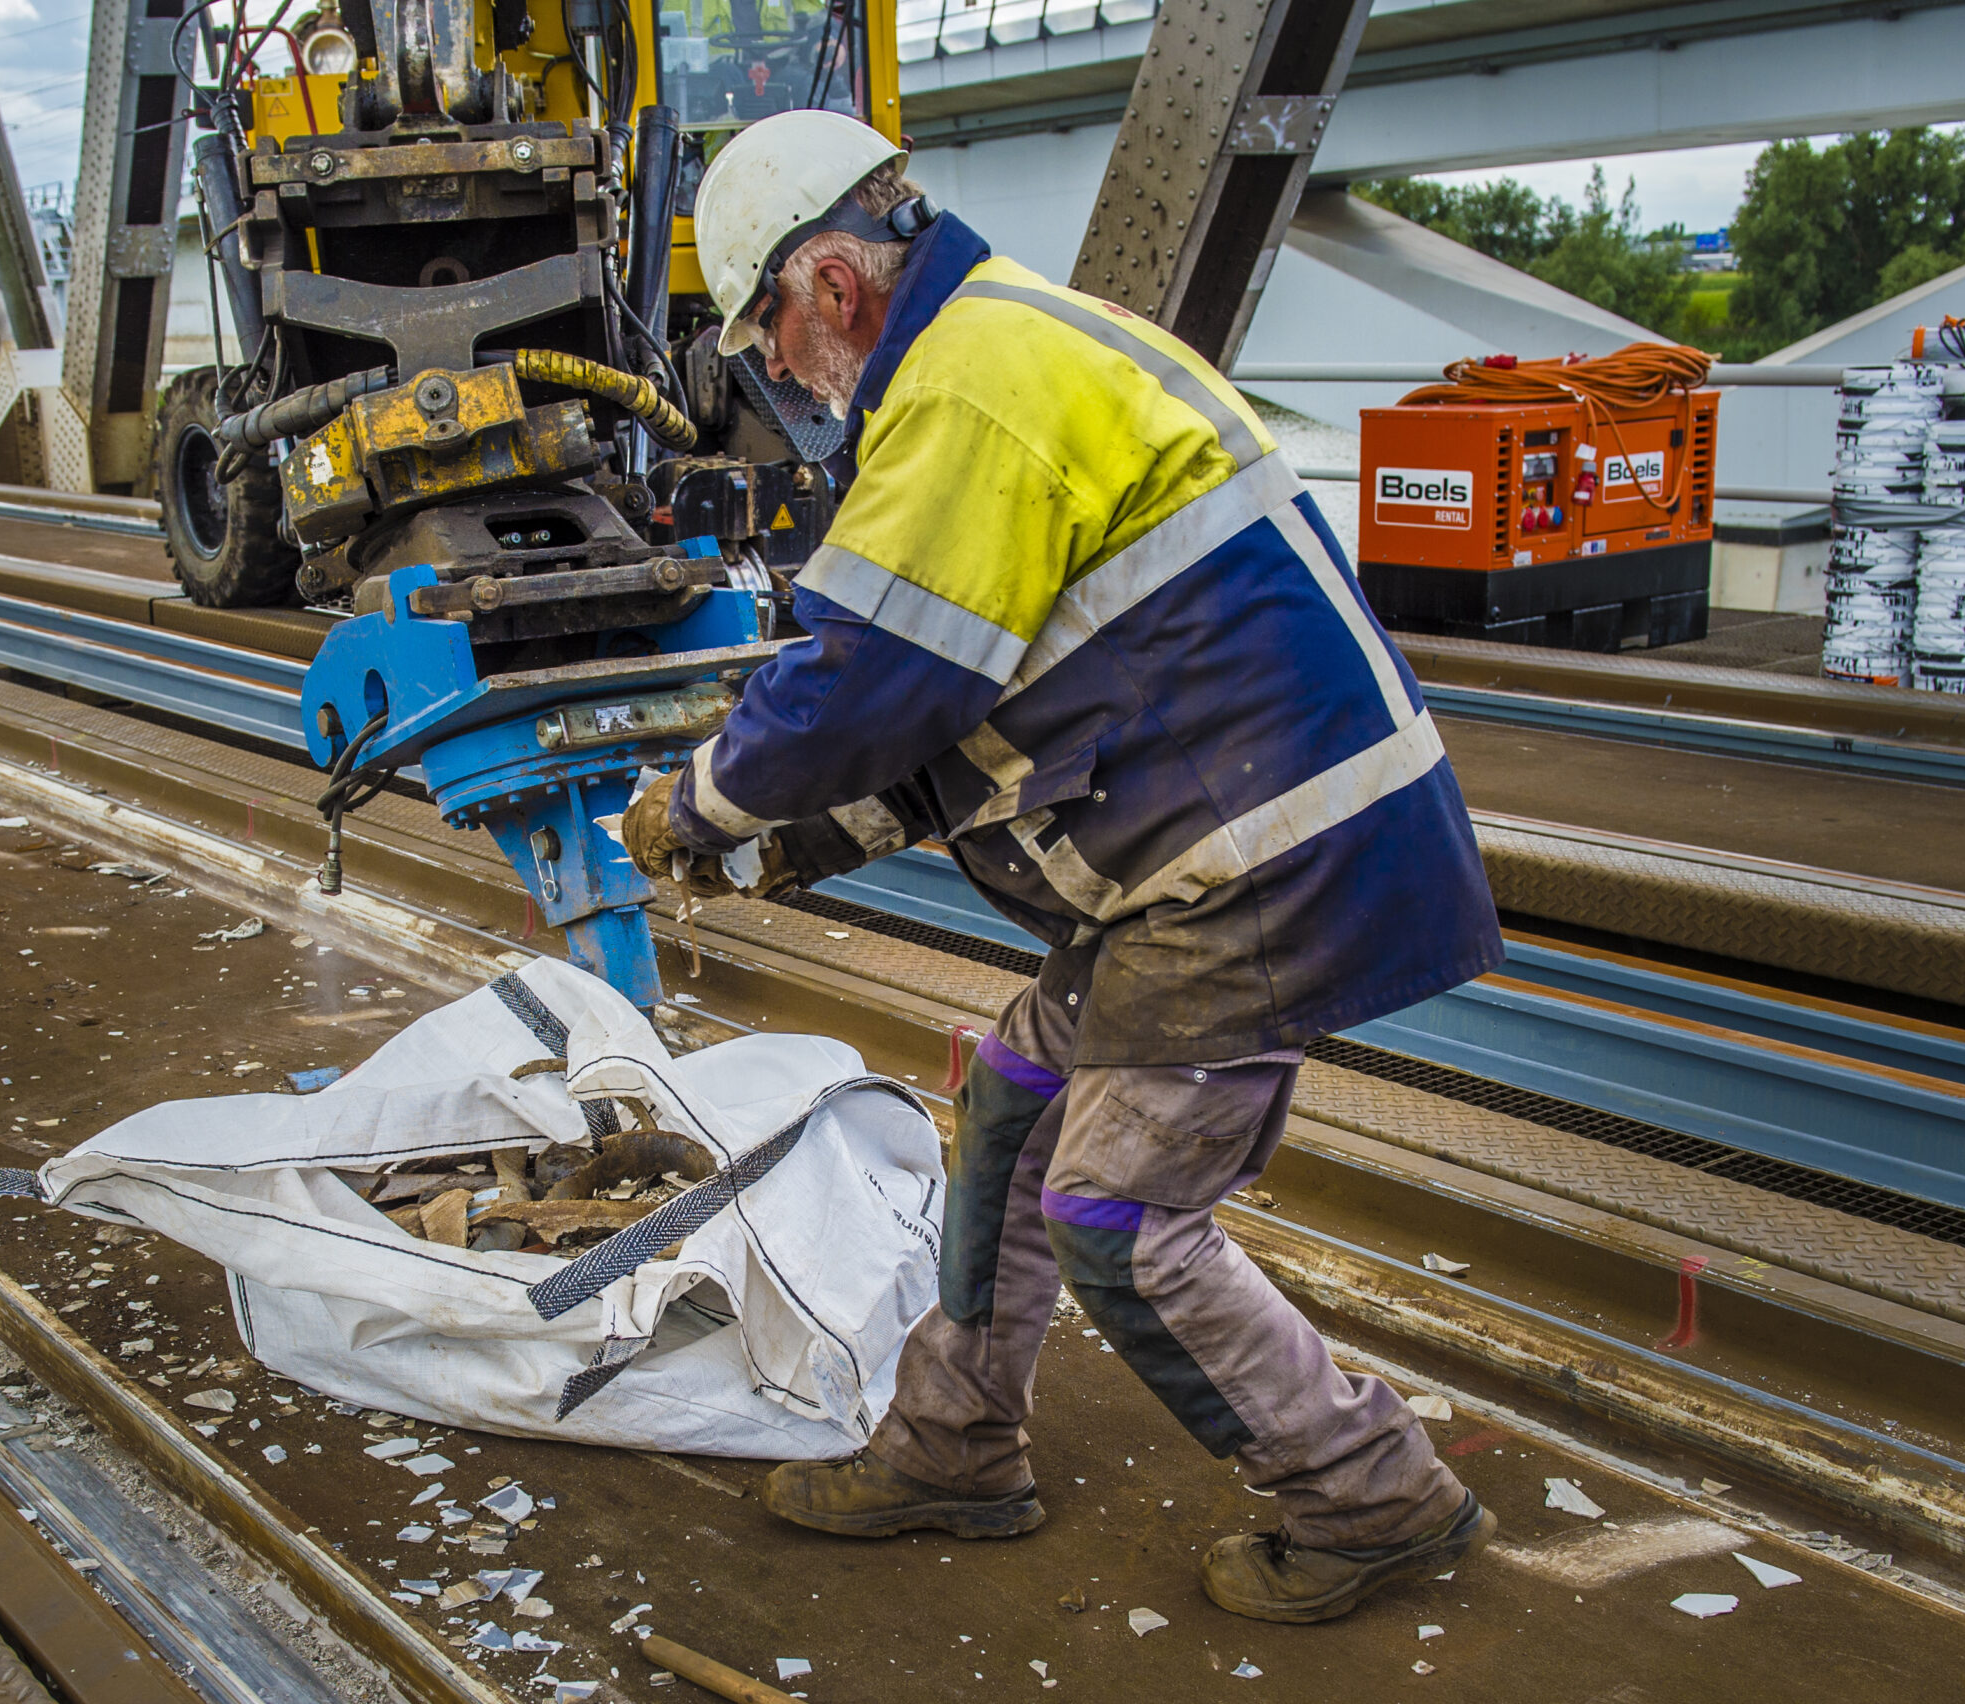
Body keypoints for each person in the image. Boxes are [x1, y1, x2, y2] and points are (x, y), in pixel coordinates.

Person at [618, 109, 1507, 1626]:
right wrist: (781, 845)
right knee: (1016, 1118)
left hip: (1260, 864)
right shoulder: (993, 358)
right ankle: (957, 1447)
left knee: (1117, 1215)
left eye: (768, 326)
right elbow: (965, 718)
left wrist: (693, 810)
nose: (773, 369)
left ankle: (1369, 1495)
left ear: (831, 283)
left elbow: (862, 682)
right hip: (1195, 848)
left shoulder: (971, 390)